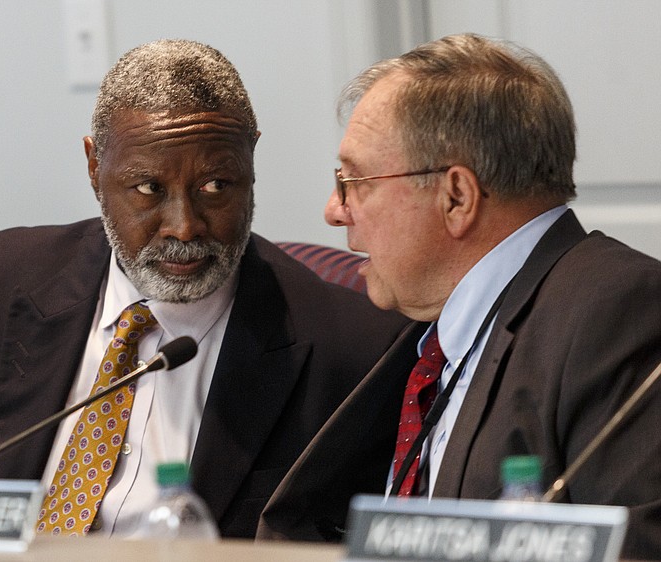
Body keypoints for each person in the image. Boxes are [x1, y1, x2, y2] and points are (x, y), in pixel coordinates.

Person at [0, 39, 416, 539]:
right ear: (94, 166)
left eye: (216, 186)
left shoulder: (353, 350)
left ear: (252, 162)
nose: (185, 225)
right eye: (148, 188)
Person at [257, 33, 661, 559]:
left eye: (354, 180)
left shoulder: (619, 313)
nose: (335, 211)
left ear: (457, 197)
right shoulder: (424, 334)